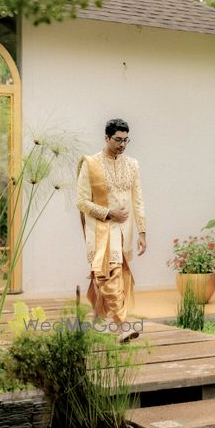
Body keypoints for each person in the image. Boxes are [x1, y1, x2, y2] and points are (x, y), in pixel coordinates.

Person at [76, 118, 146, 342]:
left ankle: (95, 321)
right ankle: (123, 327)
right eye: (118, 140)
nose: (122, 144)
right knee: (110, 273)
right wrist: (109, 213)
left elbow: (138, 200)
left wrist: (142, 232)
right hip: (101, 229)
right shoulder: (91, 164)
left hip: (125, 230)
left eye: (126, 140)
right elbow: (82, 202)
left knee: (110, 275)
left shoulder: (132, 164)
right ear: (106, 138)